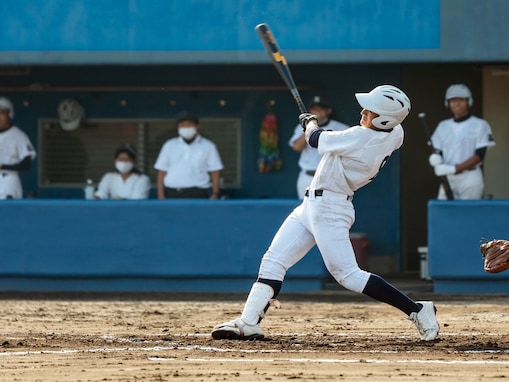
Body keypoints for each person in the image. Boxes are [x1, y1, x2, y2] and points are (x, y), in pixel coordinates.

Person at [211, 85, 440, 342]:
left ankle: (418, 310)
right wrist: (315, 126)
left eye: (371, 110)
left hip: (330, 207)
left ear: (384, 119)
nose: (363, 111)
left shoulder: (363, 136)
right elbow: (331, 138)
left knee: (348, 275)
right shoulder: (396, 132)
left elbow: (315, 140)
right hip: (311, 205)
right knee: (273, 260)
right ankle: (248, 323)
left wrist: (310, 123)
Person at [428, 84, 495, 200]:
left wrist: (455, 168)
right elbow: (437, 150)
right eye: (453, 100)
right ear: (447, 103)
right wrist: (435, 158)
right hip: (447, 178)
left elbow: (480, 155)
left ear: (469, 101)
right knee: (445, 213)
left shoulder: (480, 125)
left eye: (461, 100)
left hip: (470, 178)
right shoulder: (443, 126)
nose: (457, 103)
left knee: (468, 213)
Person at [288, 96, 349, 198]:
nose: (317, 112)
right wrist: (309, 127)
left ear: (328, 111)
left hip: (331, 178)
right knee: (306, 212)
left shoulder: (341, 128)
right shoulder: (302, 127)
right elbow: (297, 147)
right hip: (308, 177)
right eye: (314, 109)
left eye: (320, 109)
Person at [154, 111, 223, 199]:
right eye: (182, 125)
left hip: (198, 193)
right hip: (172, 193)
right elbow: (162, 171)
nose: (186, 127)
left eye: (189, 124)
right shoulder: (169, 145)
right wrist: (160, 194)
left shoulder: (208, 146)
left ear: (197, 126)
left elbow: (215, 171)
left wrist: (215, 193)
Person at [0, 97, 37, 199]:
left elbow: (26, 164)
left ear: (9, 115)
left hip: (8, 180)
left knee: (7, 212)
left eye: (2, 113)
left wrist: (3, 167)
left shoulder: (18, 135)